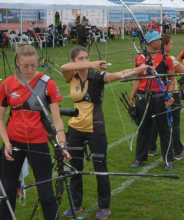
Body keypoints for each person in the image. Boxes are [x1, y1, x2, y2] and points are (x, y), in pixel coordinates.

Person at [60, 46, 152, 219]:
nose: (85, 60)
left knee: (100, 168)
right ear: (73, 60)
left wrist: (140, 69)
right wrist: (92, 63)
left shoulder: (98, 77)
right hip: (75, 129)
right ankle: (75, 204)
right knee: (75, 169)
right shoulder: (71, 75)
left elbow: (119, 75)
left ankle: (104, 206)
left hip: (96, 129)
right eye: (81, 58)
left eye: (87, 57)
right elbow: (64, 67)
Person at [0, 43, 70, 220]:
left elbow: (57, 120)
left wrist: (62, 144)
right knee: (7, 191)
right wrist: (7, 143)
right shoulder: (7, 85)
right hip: (13, 143)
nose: (30, 69)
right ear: (17, 63)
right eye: (25, 66)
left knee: (45, 192)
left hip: (39, 143)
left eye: (34, 65)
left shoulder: (48, 84)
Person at [129, 31, 176, 171]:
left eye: (161, 40)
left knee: (163, 129)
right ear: (149, 42)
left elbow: (172, 80)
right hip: (143, 96)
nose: (160, 42)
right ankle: (139, 158)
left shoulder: (167, 58)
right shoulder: (140, 58)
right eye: (157, 40)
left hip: (160, 97)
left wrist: (170, 95)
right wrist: (132, 97)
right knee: (143, 129)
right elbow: (137, 78)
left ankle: (168, 160)